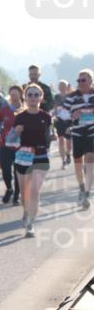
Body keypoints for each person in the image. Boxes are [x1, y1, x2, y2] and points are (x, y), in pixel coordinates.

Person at [13, 84, 55, 236]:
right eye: (30, 95)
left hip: (41, 156)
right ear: (25, 97)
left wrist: (52, 136)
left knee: (34, 191)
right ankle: (26, 210)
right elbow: (10, 141)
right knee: (24, 193)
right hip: (23, 157)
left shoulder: (46, 117)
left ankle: (30, 223)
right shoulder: (19, 117)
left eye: (36, 95)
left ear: (41, 98)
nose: (33, 98)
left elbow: (51, 134)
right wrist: (16, 133)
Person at [65, 68, 94, 210]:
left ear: (91, 81)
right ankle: (81, 187)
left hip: (92, 132)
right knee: (78, 162)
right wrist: (70, 117)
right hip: (77, 133)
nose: (80, 83)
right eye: (79, 80)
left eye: (83, 80)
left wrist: (83, 111)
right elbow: (63, 114)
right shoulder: (72, 97)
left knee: (90, 160)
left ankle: (87, 192)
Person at [0, 85, 24, 205]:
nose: (13, 96)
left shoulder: (25, 110)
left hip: (20, 146)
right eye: (11, 94)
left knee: (18, 171)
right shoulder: (4, 110)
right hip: (5, 145)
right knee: (6, 170)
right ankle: (9, 189)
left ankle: (16, 194)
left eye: (15, 94)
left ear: (20, 95)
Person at [54, 79, 73, 169]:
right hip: (59, 120)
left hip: (69, 120)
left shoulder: (70, 96)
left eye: (63, 86)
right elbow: (54, 108)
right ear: (58, 87)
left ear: (66, 87)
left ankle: (68, 154)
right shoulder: (56, 97)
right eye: (60, 86)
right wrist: (55, 115)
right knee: (61, 139)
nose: (62, 88)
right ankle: (63, 160)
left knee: (68, 141)